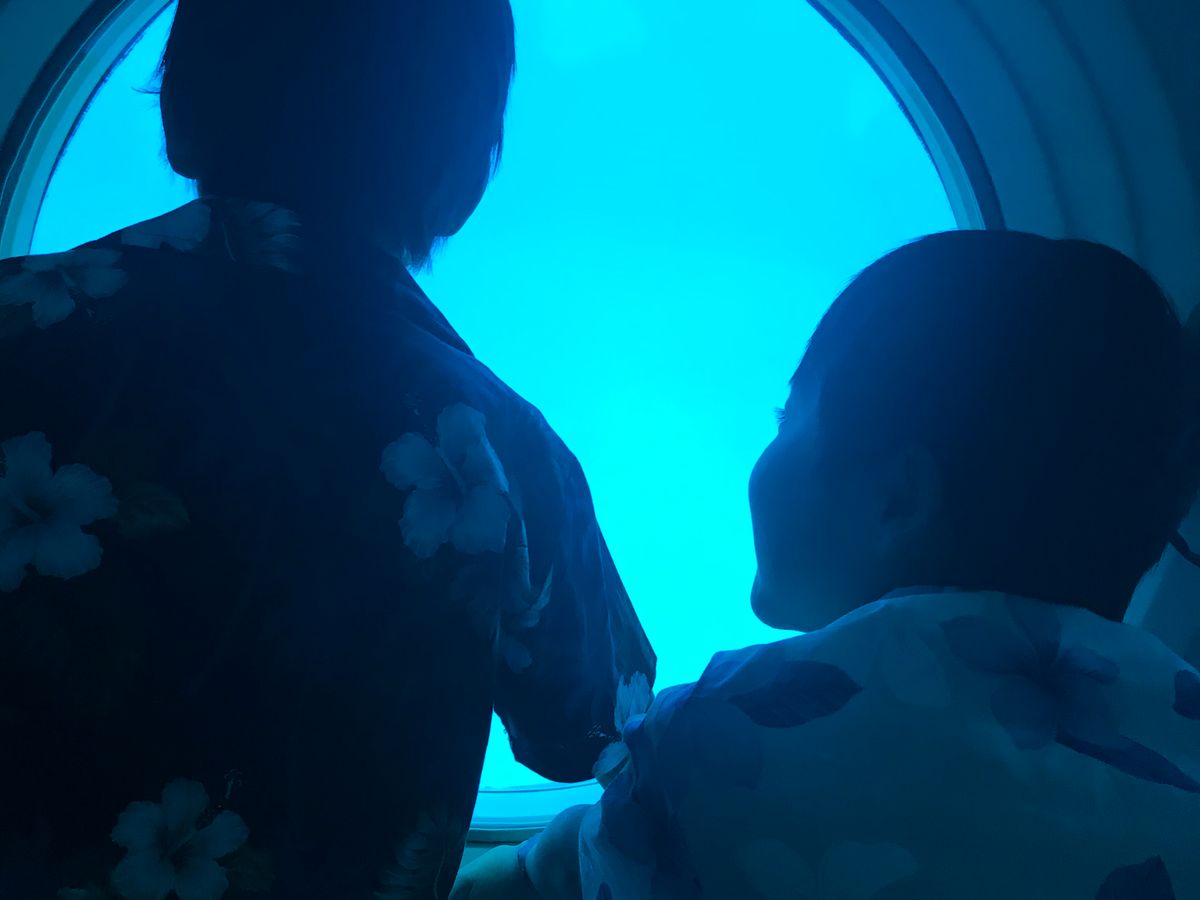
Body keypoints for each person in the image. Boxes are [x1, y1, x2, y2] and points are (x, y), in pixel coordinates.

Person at [0, 0, 655, 896]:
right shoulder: (498, 450)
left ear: (181, 111)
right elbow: (598, 732)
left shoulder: (17, 326)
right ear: (460, 178)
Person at [453, 230, 1200, 899]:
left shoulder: (717, 739)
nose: (765, 451)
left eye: (788, 418)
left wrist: (540, 857)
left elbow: (556, 882)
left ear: (896, 501)